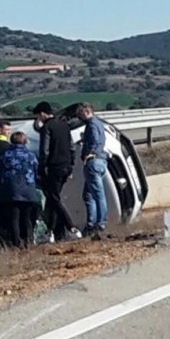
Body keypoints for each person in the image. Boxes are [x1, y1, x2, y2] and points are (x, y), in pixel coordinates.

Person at [32, 101, 82, 243]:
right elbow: (71, 147)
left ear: (42, 114)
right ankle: (50, 232)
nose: (39, 119)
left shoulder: (46, 127)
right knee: (53, 200)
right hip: (66, 166)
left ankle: (71, 228)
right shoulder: (64, 126)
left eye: (38, 116)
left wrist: (42, 168)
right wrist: (71, 165)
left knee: (54, 199)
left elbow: (45, 150)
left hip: (54, 167)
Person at [0, 131, 39, 248]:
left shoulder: (5, 155)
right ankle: (29, 243)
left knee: (14, 218)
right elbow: (36, 171)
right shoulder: (31, 155)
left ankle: (16, 243)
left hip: (10, 190)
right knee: (27, 218)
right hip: (28, 190)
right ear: (25, 141)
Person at [76, 103, 108, 240]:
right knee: (88, 195)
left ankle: (100, 223)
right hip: (101, 162)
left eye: (80, 113)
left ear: (87, 111)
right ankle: (92, 223)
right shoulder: (99, 124)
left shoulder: (92, 125)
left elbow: (95, 140)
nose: (79, 116)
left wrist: (91, 152)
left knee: (97, 195)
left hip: (93, 162)